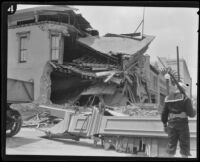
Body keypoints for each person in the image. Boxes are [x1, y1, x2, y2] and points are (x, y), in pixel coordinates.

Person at [161, 82, 196, 158]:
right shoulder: (186, 99)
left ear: (176, 89)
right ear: (183, 89)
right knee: (184, 147)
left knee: (171, 146)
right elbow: (191, 114)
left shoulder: (168, 98)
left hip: (171, 124)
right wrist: (194, 109)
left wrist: (164, 125)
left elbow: (164, 114)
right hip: (182, 125)